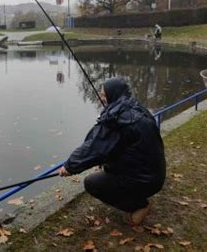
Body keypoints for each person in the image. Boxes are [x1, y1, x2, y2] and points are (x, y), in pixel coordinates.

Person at [58, 77, 166, 225]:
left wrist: (69, 166)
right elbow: (119, 145)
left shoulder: (117, 120)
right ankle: (135, 194)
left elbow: (94, 147)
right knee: (106, 170)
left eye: (103, 94)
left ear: (113, 94)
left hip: (145, 180)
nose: (101, 97)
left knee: (92, 184)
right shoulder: (137, 108)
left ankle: (139, 206)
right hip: (155, 175)